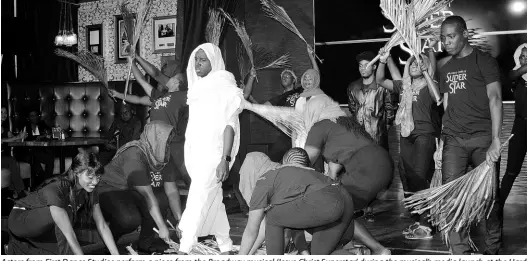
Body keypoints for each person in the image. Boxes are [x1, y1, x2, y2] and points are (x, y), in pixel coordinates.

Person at [438, 15, 503, 255]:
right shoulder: (446, 67)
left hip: (482, 139)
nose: (446, 42)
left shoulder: (483, 61)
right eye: (443, 38)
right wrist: (440, 143)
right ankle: (461, 252)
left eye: (451, 36)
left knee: (489, 198)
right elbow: (446, 106)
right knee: (451, 197)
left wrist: (496, 139)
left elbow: (495, 99)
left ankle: (492, 249)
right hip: (454, 140)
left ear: (465, 34)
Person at [302, 97, 392, 255]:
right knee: (342, 207)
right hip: (384, 165)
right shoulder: (344, 122)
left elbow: (302, 161)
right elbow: (334, 171)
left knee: (334, 207)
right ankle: (349, 247)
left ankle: (377, 249)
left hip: (365, 168)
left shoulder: (320, 125)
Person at [178, 43, 244, 255]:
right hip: (196, 154)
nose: (197, 63)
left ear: (213, 62)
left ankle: (184, 248)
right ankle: (225, 245)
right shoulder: (198, 88)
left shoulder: (226, 88)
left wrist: (224, 158)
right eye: (196, 59)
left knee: (197, 196)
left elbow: (230, 126)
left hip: (215, 155)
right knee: (214, 199)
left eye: (203, 59)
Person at [375, 41, 440, 240]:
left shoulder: (431, 84)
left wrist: (428, 63)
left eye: (419, 63)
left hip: (425, 134)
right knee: (408, 177)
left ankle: (427, 223)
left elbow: (437, 97)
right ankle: (420, 218)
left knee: (421, 175)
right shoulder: (403, 86)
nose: (414, 65)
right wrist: (383, 61)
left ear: (427, 66)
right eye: (412, 63)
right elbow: (380, 80)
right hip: (405, 134)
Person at [239, 148, 353, 255]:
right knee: (319, 254)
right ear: (306, 165)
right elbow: (294, 223)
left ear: (283, 162)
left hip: (324, 206)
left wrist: (241, 256)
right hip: (345, 199)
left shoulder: (268, 177)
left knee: (271, 216)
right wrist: (304, 251)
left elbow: (252, 229)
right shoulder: (314, 175)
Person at [7, 151, 119, 255]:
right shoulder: (59, 188)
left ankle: (17, 247)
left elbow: (102, 225)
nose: (95, 182)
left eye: (98, 177)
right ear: (77, 173)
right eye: (90, 177)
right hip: (20, 220)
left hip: (45, 227)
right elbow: (69, 234)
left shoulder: (90, 191)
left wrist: (117, 256)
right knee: (68, 243)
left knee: (58, 253)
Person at [97, 121, 183, 253]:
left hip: (132, 190)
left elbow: (171, 191)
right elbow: (148, 196)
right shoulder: (135, 154)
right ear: (154, 138)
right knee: (129, 219)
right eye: (165, 140)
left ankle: (145, 244)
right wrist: (162, 226)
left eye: (169, 141)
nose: (167, 145)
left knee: (162, 199)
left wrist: (180, 222)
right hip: (110, 189)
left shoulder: (163, 156)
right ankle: (110, 243)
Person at [111, 54, 190, 187]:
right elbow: (141, 82)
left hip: (174, 142)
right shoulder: (158, 96)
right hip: (157, 145)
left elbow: (155, 73)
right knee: (165, 183)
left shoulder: (182, 96)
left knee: (189, 177)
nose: (169, 79)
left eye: (174, 77)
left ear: (178, 83)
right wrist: (132, 62)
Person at [347, 51, 396, 222]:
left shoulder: (383, 86)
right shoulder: (353, 87)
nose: (362, 68)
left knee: (376, 172)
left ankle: (369, 207)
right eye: (360, 65)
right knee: (359, 171)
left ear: (374, 66)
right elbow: (353, 111)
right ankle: (361, 205)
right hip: (359, 138)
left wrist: (383, 128)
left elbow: (390, 111)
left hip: (377, 136)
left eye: (366, 65)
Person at [238, 151, 311, 255]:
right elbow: (252, 230)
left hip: (257, 164)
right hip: (255, 171)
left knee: (265, 223)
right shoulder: (268, 183)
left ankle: (248, 254)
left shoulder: (292, 184)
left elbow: (293, 229)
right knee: (258, 222)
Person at [500, 43, 527, 207]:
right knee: (511, 171)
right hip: (521, 126)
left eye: (528, 56)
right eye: (522, 57)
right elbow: (512, 75)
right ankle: (497, 211)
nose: (525, 60)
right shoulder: (515, 77)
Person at [18, 109, 55, 183]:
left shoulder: (42, 124)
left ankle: (46, 181)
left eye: (35, 115)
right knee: (35, 160)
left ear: (38, 116)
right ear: (28, 117)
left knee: (50, 157)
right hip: (27, 151)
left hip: (39, 151)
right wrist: (38, 137)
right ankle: (45, 181)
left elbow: (50, 132)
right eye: (32, 116)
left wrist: (45, 135)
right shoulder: (25, 126)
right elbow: (23, 139)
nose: (34, 117)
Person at [1, 106, 27, 196]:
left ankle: (14, 191)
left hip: (3, 158)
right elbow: (1, 140)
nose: (4, 114)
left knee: (12, 161)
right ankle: (20, 191)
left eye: (5, 112)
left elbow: (15, 140)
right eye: (1, 112)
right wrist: (17, 137)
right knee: (11, 160)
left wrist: (21, 136)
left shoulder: (5, 130)